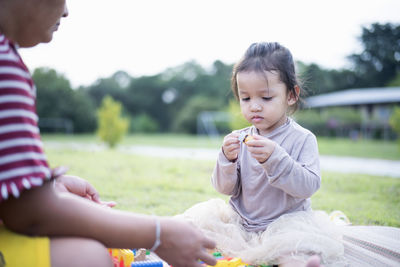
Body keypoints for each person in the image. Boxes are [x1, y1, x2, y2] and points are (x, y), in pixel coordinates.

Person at [0, 1, 217, 267]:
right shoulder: (5, 67)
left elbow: (15, 199)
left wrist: (52, 188)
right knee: (86, 257)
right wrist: (160, 234)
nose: (66, 11)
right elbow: (29, 212)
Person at [179, 42, 345, 267]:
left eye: (266, 98)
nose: (254, 106)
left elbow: (308, 186)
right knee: (194, 232)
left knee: (294, 250)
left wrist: (276, 160)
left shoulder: (302, 139)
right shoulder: (239, 138)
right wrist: (226, 160)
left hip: (286, 225)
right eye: (246, 98)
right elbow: (224, 189)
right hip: (239, 224)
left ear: (291, 95)